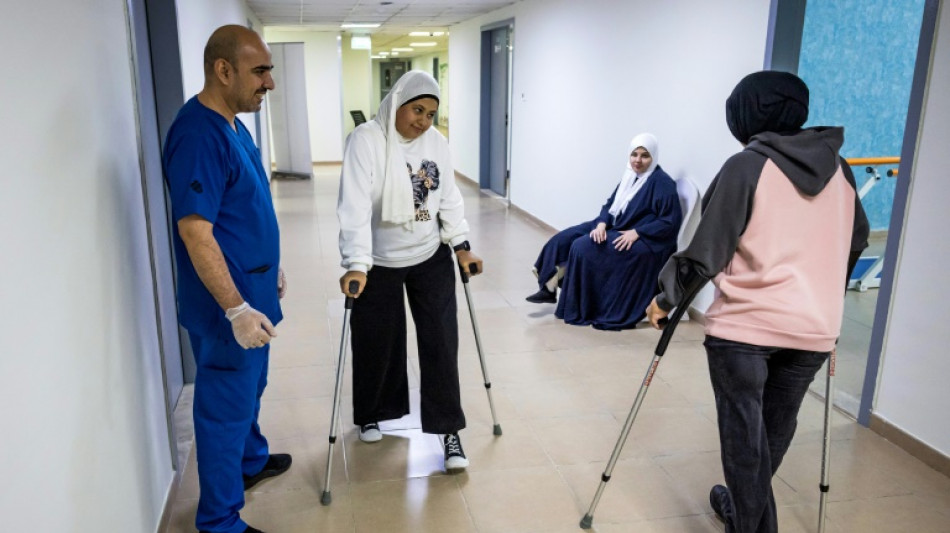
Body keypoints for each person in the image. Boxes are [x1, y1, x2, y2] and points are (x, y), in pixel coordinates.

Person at [646, 70, 870, 533]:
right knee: (773, 428)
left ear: (746, 114)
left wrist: (665, 300)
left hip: (745, 330)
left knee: (744, 437)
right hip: (814, 328)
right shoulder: (842, 171)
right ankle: (741, 508)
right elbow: (857, 239)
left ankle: (749, 523)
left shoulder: (746, 166)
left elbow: (706, 252)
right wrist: (825, 291)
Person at [162, 25, 291, 533]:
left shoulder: (236, 125)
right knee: (225, 407)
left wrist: (270, 263)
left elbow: (244, 208)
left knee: (251, 387)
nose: (269, 83)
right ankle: (218, 521)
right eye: (260, 72)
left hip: (253, 289)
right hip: (227, 307)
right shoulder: (199, 134)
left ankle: (249, 461)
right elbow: (196, 232)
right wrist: (236, 309)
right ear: (223, 70)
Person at [337, 70, 483, 473]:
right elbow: (354, 205)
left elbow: (448, 196)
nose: (423, 121)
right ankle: (372, 413)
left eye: (431, 114)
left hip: (429, 256)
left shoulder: (437, 143)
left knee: (441, 343)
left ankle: (448, 430)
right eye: (417, 110)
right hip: (379, 261)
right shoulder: (366, 140)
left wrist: (461, 245)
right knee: (377, 340)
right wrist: (356, 262)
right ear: (397, 103)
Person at [526, 133, 683, 330]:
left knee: (582, 246)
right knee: (562, 240)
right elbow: (610, 205)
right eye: (634, 154)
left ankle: (580, 303)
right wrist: (601, 223)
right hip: (614, 225)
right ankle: (549, 288)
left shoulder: (662, 183)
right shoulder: (630, 176)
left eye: (645, 156)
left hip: (644, 237)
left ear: (654, 157)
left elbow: (670, 221)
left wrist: (638, 232)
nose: (638, 160)